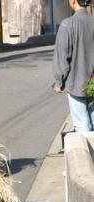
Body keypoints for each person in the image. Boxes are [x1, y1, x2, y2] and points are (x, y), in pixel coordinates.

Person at [53, 0, 94, 132]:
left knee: (82, 126)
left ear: (73, 1)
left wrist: (59, 82)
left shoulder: (67, 25)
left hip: (77, 83)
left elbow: (62, 57)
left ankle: (87, 152)